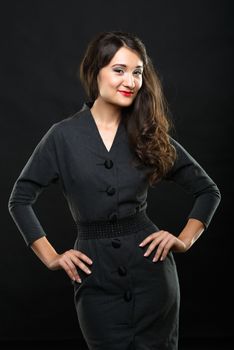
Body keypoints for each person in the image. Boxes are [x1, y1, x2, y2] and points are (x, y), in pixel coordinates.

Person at [8, 30, 221, 350]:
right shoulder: (62, 137)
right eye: (119, 70)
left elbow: (208, 190)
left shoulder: (148, 132)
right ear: (95, 72)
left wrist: (183, 240)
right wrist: (52, 257)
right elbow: (20, 199)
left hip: (154, 280)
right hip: (95, 280)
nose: (131, 81)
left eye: (137, 72)